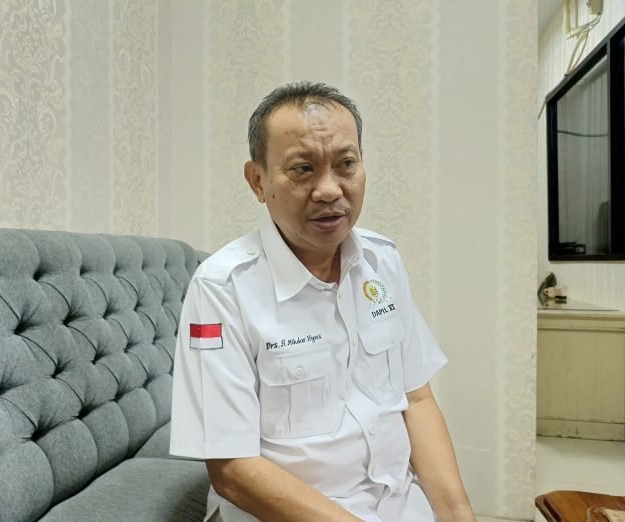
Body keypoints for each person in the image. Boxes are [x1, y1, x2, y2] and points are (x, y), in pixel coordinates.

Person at [170, 81, 474, 522]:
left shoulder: (382, 261)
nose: (330, 189)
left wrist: (460, 516)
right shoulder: (223, 288)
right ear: (258, 181)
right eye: (303, 169)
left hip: (397, 501)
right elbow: (233, 470)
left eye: (346, 164)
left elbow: (417, 399)